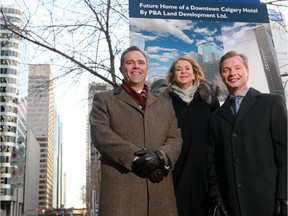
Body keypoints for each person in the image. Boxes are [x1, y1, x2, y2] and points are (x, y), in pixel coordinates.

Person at [89, 46, 182, 216]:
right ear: (121, 69)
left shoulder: (165, 103)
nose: (136, 66)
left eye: (141, 62)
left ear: (147, 68)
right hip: (121, 193)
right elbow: (100, 134)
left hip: (159, 189)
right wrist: (137, 159)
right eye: (130, 63)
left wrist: (160, 157)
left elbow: (175, 138)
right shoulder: (104, 99)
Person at [208, 51, 287, 216]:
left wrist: (284, 195)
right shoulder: (216, 117)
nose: (232, 73)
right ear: (222, 76)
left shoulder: (271, 103)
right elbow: (214, 161)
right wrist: (217, 197)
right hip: (233, 205)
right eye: (226, 70)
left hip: (270, 202)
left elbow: (285, 152)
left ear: (247, 71)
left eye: (237, 68)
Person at [155, 56, 220, 216]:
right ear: (173, 75)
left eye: (187, 68)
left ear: (194, 74)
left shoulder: (209, 100)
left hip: (205, 169)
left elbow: (216, 133)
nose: (183, 71)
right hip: (176, 170)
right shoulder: (164, 102)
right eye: (178, 69)